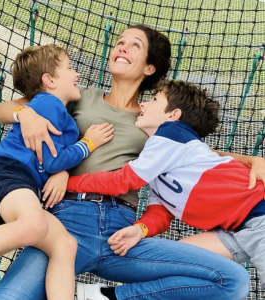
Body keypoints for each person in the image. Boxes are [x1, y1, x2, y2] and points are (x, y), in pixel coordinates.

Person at [0, 24, 260, 300]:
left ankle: (106, 297)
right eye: (120, 41)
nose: (122, 47)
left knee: (233, 280)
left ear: (149, 68)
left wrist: (252, 159)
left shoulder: (154, 118)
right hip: (66, 221)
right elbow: (1, 109)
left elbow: (202, 155)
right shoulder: (79, 96)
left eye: (135, 45)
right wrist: (26, 115)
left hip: (121, 234)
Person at [66, 79, 265, 289]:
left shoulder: (171, 133)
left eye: (153, 99)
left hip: (259, 216)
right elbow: (160, 212)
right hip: (236, 229)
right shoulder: (161, 159)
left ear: (173, 115)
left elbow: (123, 181)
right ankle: (109, 295)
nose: (143, 104)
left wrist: (67, 182)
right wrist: (140, 229)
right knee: (176, 263)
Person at [0, 44, 113, 300]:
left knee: (65, 245)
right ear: (49, 80)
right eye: (70, 68)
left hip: (23, 184)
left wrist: (64, 170)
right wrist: (87, 144)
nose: (77, 74)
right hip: (8, 174)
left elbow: (55, 161)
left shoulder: (58, 110)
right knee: (34, 225)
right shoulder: (48, 104)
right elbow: (54, 161)